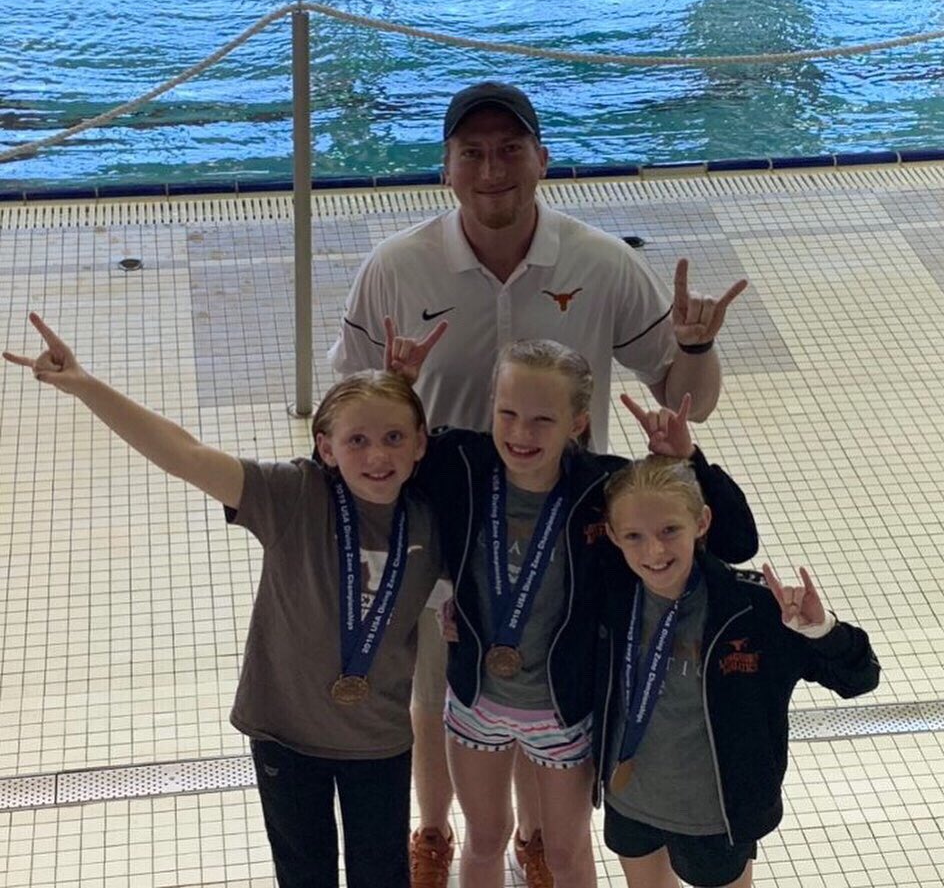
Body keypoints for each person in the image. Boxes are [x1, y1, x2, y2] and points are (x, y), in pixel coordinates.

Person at [330, 80, 748, 888]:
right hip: (443, 523)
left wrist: (692, 348)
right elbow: (350, 403)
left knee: (543, 686)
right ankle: (434, 829)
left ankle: (534, 840)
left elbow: (682, 391)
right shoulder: (396, 269)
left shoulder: (599, 262)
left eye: (510, 150)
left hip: (568, 530)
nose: (493, 170)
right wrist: (388, 389)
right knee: (438, 686)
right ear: (445, 168)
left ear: (542, 158)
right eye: (474, 153)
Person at [3, 313, 443, 888]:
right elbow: (182, 453)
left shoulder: (435, 518)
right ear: (325, 448)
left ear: (420, 446)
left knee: (382, 877)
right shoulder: (292, 497)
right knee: (303, 875)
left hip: (379, 739)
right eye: (355, 440)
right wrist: (85, 384)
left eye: (393, 438)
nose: (377, 455)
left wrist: (397, 386)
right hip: (285, 732)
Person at [389, 330, 758, 888]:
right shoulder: (460, 463)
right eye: (508, 412)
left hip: (563, 709)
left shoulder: (604, 486)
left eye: (543, 420)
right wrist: (398, 387)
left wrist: (691, 460)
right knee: (484, 840)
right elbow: (373, 457)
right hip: (474, 699)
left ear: (578, 422)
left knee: (565, 855)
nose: (520, 432)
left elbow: (735, 541)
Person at [592, 455, 881, 888]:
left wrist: (822, 631)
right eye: (634, 536)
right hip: (630, 799)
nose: (654, 551)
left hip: (716, 816)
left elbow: (860, 678)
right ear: (613, 536)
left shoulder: (755, 609)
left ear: (702, 522)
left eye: (670, 530)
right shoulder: (610, 599)